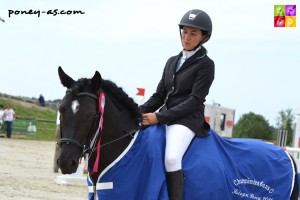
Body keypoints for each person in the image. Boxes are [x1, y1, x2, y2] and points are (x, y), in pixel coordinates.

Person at [139, 9, 214, 200]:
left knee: (172, 159)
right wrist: (134, 112)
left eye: (193, 33)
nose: (187, 37)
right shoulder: (172, 61)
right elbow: (159, 95)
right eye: (185, 31)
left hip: (187, 120)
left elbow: (194, 101)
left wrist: (159, 117)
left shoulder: (206, 64)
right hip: (166, 116)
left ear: (204, 37)